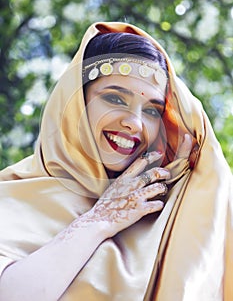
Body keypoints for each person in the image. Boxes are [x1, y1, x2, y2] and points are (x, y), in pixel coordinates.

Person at [0, 21, 232, 301]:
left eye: (151, 111)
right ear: (74, 104)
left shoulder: (164, 212)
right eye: (114, 98)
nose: (134, 123)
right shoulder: (11, 198)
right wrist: (100, 219)